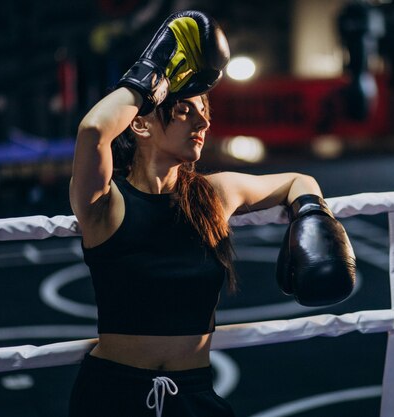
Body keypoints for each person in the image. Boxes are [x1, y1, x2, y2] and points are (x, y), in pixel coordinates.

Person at [68, 10, 356, 417]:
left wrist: (312, 215)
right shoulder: (104, 203)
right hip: (112, 395)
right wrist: (151, 74)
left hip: (193, 395)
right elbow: (94, 130)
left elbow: (298, 180)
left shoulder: (214, 194)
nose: (202, 119)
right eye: (184, 109)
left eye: (204, 108)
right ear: (141, 124)